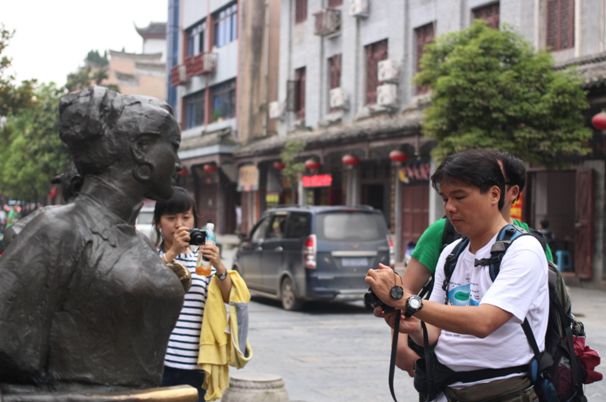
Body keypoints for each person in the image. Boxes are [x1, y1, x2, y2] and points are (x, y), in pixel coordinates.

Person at [0, 86, 188, 396]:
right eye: (173, 146)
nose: (179, 163)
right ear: (141, 148)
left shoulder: (140, 244)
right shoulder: (56, 230)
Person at [366, 149, 549, 401]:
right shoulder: (452, 252)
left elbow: (484, 322)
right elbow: (435, 331)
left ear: (495, 194)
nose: (450, 207)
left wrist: (408, 301)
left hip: (501, 392)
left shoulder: (524, 250)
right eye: (445, 198)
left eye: (460, 197)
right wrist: (414, 327)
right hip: (444, 389)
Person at [153, 187, 232, 402]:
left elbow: (228, 297)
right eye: (171, 218)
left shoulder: (203, 259)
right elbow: (146, 286)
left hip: (197, 365)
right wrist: (172, 254)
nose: (180, 224)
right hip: (160, 364)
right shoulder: (152, 256)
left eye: (186, 217)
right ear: (159, 222)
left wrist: (219, 265)